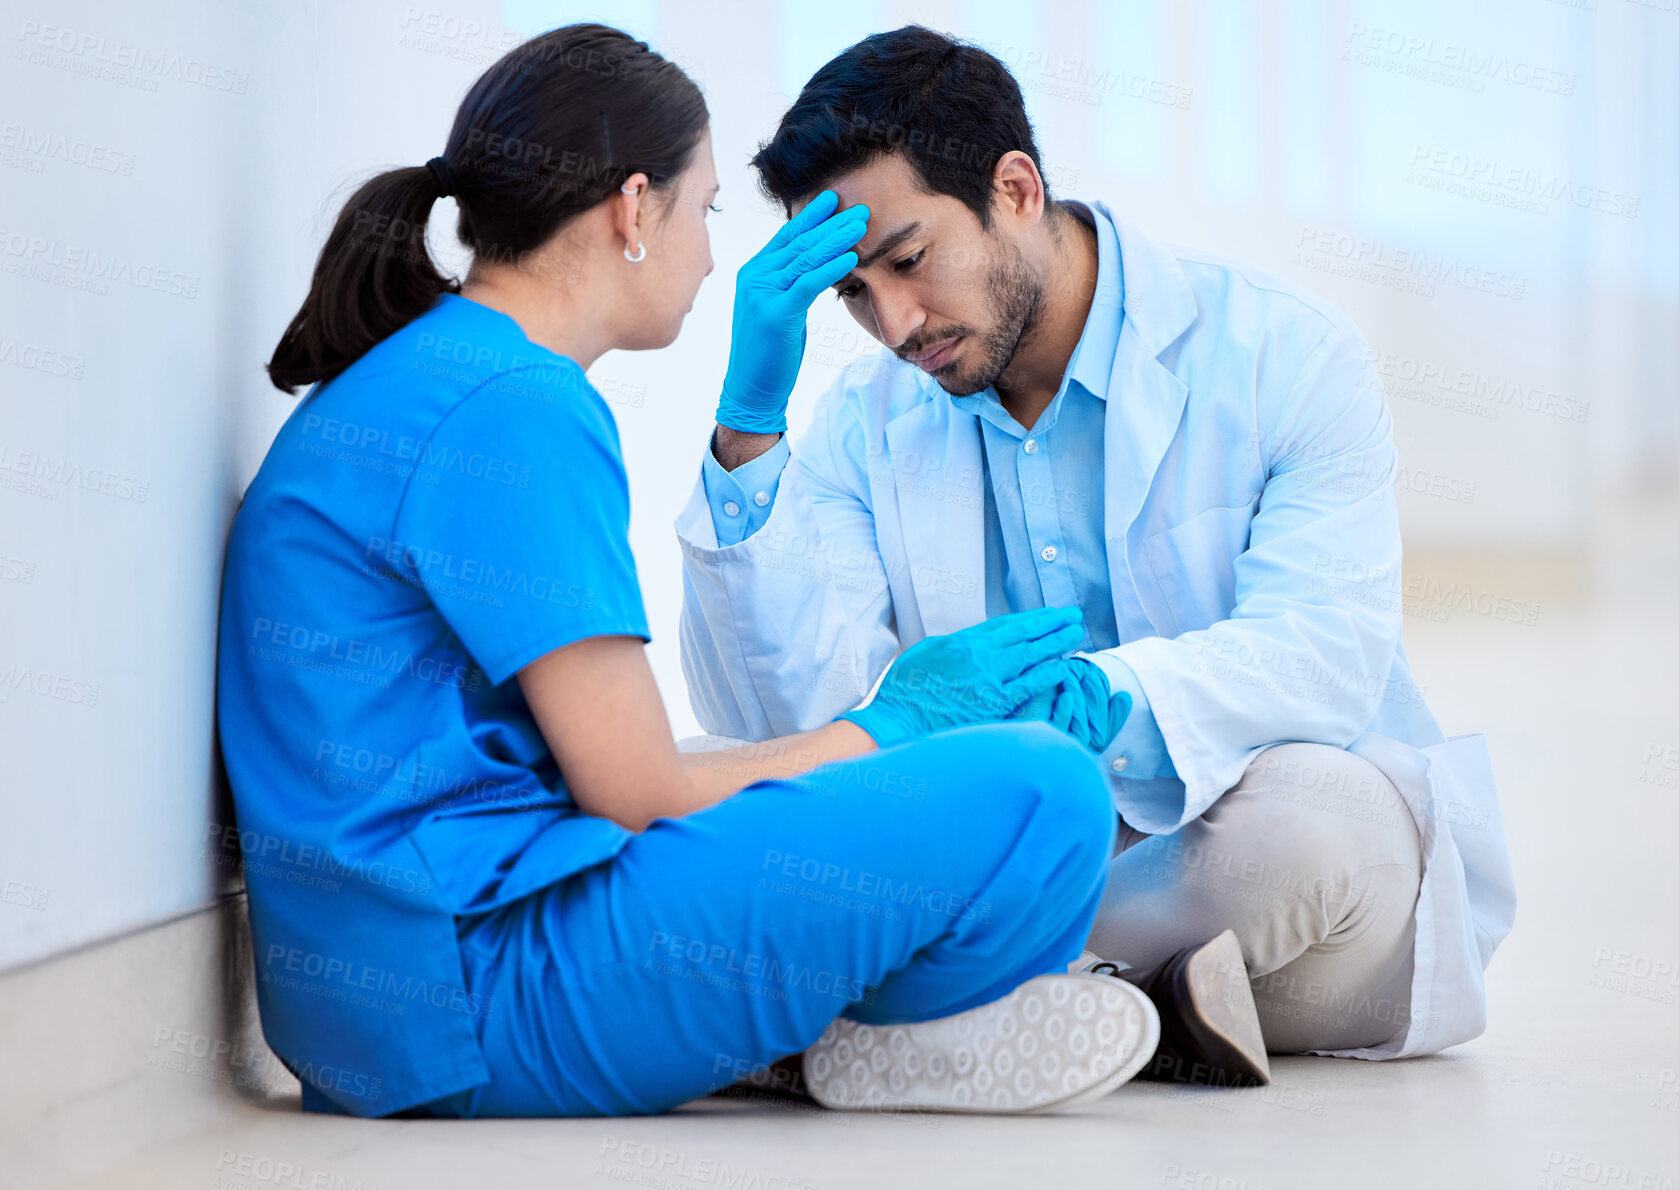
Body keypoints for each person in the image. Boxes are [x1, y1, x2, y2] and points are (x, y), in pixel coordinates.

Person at [216, 23, 1173, 1120]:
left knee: (801, 766)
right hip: (483, 998)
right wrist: (897, 723)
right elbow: (635, 789)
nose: (713, 257)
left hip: (382, 1004)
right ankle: (882, 1035)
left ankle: (831, 1026)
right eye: (705, 210)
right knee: (1042, 786)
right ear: (632, 208)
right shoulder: (514, 404)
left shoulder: (425, 375)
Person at [676, 26, 1517, 1080]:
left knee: (1322, 824)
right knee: (665, 773)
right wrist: (747, 429)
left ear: (1015, 188)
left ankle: (857, 1002)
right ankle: (1113, 1006)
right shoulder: (861, 422)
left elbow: (1324, 648)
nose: (891, 324)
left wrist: (1098, 697)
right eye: (852, 294)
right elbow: (791, 723)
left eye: (906, 261)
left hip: (1221, 856)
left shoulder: (1282, 356)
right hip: (998, 847)